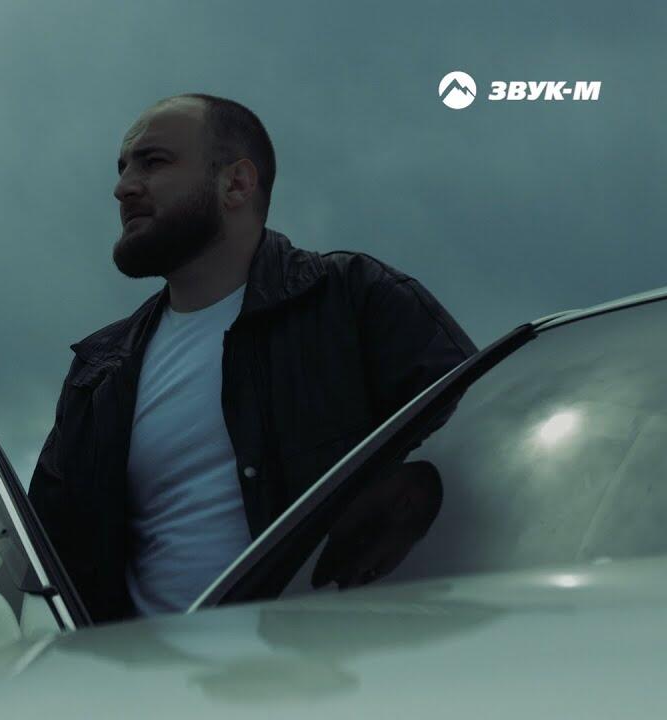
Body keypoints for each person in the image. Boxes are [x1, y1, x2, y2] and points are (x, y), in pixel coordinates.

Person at [27, 93, 477, 623]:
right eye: (123, 167)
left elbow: (482, 453)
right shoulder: (98, 374)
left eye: (153, 162)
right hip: (147, 672)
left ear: (237, 184)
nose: (123, 187)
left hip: (340, 661)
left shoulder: (355, 300)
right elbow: (41, 564)